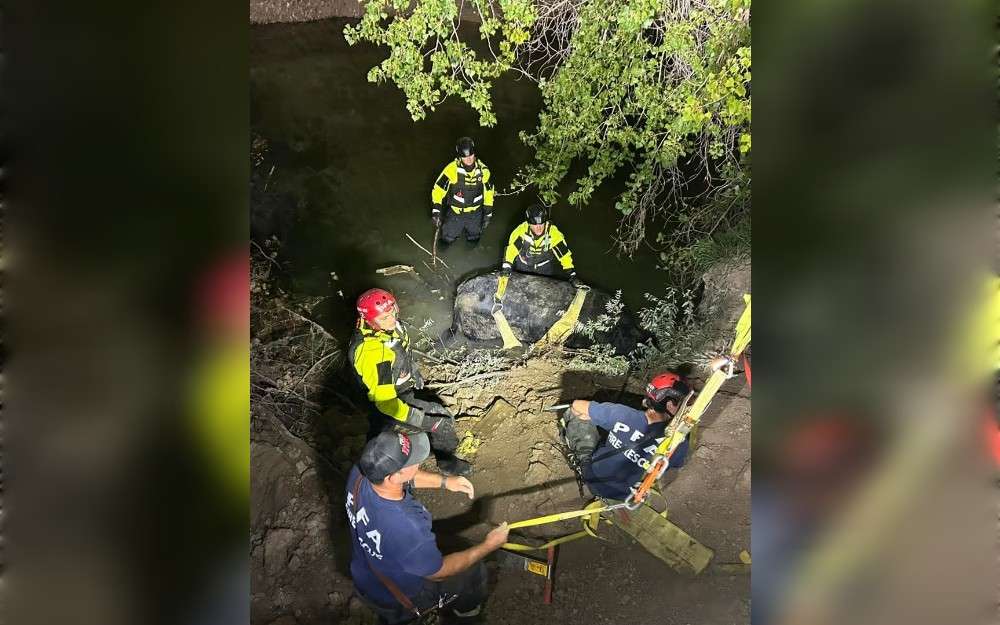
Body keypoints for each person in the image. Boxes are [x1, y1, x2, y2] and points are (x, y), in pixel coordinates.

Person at [346, 431, 510, 625]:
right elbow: (440, 573)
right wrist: (488, 546)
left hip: (367, 577)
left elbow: (406, 477)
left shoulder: (361, 474)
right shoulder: (406, 526)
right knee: (473, 574)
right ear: (393, 476)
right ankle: (468, 617)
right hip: (402, 596)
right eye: (411, 461)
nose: (418, 462)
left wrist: (445, 482)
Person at [349, 287, 471, 476]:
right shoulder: (375, 353)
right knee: (441, 421)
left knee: (382, 433)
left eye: (392, 313)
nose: (391, 320)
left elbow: (403, 349)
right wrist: (423, 420)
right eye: (384, 318)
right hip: (389, 402)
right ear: (369, 320)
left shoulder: (391, 328)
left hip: (399, 389)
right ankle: (447, 463)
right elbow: (386, 403)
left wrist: (414, 371)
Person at [560, 372, 693, 501]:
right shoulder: (678, 442)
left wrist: (593, 416)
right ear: (669, 405)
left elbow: (576, 405)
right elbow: (677, 464)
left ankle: (581, 457)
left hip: (594, 479)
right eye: (682, 404)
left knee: (576, 416)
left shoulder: (623, 414)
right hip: (627, 496)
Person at [430, 136, 495, 247]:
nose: (468, 159)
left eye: (471, 155)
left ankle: (470, 254)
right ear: (459, 156)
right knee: (446, 239)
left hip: (475, 214)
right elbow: (438, 189)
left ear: (474, 153)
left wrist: (488, 213)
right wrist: (436, 210)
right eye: (465, 157)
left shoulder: (484, 171)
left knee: (474, 238)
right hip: (456, 213)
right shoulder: (452, 169)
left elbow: (489, 193)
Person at [500, 203, 581, 286]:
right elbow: (511, 250)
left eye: (541, 224)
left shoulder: (553, 233)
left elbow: (564, 255)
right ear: (529, 223)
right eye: (535, 224)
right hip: (523, 266)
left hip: (544, 269)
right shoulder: (521, 231)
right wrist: (506, 266)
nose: (538, 228)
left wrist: (572, 274)